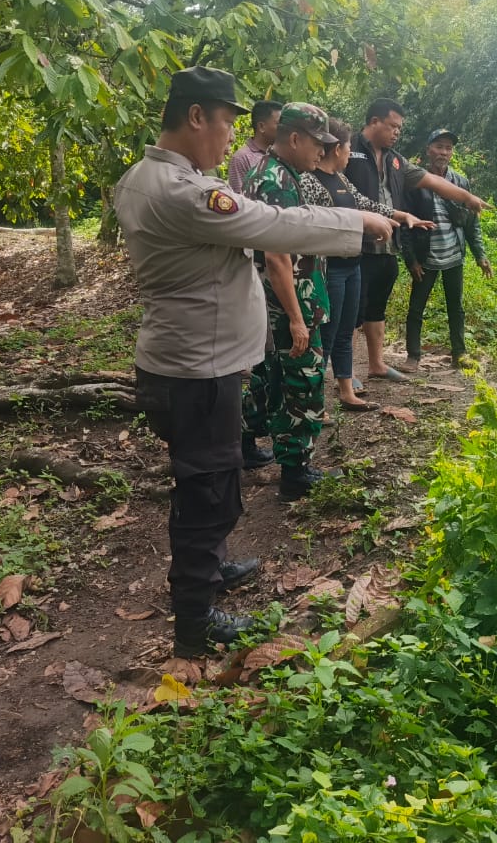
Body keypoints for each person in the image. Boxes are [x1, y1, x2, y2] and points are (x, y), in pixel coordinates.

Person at [113, 68, 394, 657]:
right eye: (226, 123)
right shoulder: (184, 192)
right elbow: (274, 224)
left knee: (207, 481)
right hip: (196, 371)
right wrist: (357, 221)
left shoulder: (144, 178)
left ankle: (209, 571)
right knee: (208, 492)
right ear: (197, 117)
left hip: (186, 362)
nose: (232, 139)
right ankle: (195, 624)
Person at [243, 103, 358, 502]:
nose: (322, 151)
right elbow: (277, 255)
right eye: (317, 143)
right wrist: (295, 317)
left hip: (281, 301)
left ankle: (246, 444)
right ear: (294, 139)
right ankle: (296, 471)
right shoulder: (277, 180)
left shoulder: (275, 172)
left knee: (269, 377)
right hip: (290, 303)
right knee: (303, 382)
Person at [343, 98, 491, 382]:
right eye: (392, 126)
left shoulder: (396, 160)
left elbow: (433, 182)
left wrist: (467, 197)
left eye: (399, 128)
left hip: (388, 246)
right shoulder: (348, 150)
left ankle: (376, 364)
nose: (397, 132)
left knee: (377, 309)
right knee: (351, 312)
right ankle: (345, 373)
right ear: (374, 122)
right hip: (356, 246)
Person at [299, 117, 435, 410]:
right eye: (348, 148)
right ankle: (315, 401)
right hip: (329, 269)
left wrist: (401, 216)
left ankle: (346, 391)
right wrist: (363, 222)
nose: (350, 154)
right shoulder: (310, 180)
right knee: (327, 335)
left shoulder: (341, 179)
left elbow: (366, 204)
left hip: (352, 265)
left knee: (346, 330)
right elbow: (316, 222)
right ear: (337, 149)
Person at [400, 128, 491, 371]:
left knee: (456, 307)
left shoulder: (460, 182)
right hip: (425, 257)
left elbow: (471, 223)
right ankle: (413, 356)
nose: (443, 152)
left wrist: (480, 255)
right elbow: (405, 224)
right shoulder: (415, 181)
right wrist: (411, 260)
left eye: (448, 148)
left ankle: (459, 354)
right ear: (428, 149)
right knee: (416, 307)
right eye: (439, 146)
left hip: (453, 255)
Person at [229, 99, 283, 469]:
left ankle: (260, 429)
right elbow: (239, 211)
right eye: (278, 121)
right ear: (262, 125)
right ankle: (246, 438)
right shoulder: (242, 159)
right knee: (257, 360)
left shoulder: (280, 160)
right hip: (258, 264)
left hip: (277, 262)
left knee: (270, 357)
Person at [226, 100, 282, 193]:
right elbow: (238, 197)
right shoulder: (242, 158)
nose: (283, 128)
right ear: (261, 127)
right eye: (279, 124)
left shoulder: (281, 155)